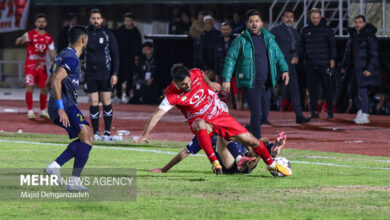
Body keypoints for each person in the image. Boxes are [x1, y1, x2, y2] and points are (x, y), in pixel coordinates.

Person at [134, 63, 291, 176]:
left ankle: (269, 163)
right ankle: (225, 160)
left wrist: (210, 83)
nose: (187, 86)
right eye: (183, 85)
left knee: (256, 141)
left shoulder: (196, 75)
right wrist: (146, 135)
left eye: (188, 83)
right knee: (205, 127)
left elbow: (200, 72)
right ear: (175, 83)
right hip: (224, 156)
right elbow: (156, 115)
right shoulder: (172, 95)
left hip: (220, 119)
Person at [221, 9, 290, 139]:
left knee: (263, 117)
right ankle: (257, 144)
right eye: (251, 21)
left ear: (261, 23)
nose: (254, 24)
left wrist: (285, 69)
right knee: (256, 113)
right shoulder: (241, 40)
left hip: (266, 83)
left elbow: (279, 55)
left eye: (257, 21)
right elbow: (230, 58)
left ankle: (242, 132)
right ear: (247, 23)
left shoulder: (269, 39)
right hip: (250, 83)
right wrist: (227, 79)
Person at [44, 26, 93, 191]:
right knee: (87, 138)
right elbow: (56, 80)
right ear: (84, 40)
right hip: (65, 105)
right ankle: (71, 180)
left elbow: (51, 78)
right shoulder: (71, 58)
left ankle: (56, 167)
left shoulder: (61, 55)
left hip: (63, 104)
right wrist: (60, 108)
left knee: (85, 137)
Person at [150, 132, 286, 174]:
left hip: (247, 163)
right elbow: (184, 153)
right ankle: (270, 155)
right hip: (229, 166)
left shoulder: (229, 124)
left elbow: (247, 140)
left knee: (262, 140)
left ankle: (272, 153)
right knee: (223, 135)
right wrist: (164, 169)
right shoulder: (203, 135)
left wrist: (249, 148)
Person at [84, 9, 119, 139]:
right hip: (90, 74)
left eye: (98, 18)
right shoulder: (84, 34)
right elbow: (79, 52)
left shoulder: (108, 34)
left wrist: (114, 73)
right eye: (93, 18)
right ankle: (96, 132)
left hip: (105, 73)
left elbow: (115, 55)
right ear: (90, 20)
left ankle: (107, 132)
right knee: (93, 102)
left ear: (102, 20)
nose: (96, 21)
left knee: (106, 101)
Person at [270, 10, 310, 124]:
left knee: (295, 90)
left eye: (291, 17)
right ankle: (261, 116)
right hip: (278, 65)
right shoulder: (275, 30)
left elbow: (298, 46)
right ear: (282, 18)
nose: (289, 19)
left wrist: (297, 56)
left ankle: (299, 116)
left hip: (291, 66)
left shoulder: (294, 31)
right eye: (287, 17)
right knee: (267, 89)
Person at [297, 8, 337, 119]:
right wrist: (297, 56)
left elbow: (333, 45)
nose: (315, 20)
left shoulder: (327, 30)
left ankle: (330, 111)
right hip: (309, 64)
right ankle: (314, 111)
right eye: (313, 18)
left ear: (321, 17)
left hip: (324, 64)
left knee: (328, 88)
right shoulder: (305, 30)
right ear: (310, 18)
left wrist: (333, 59)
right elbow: (301, 46)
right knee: (312, 89)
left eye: (317, 18)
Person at [15, 13, 55, 120]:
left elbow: (52, 53)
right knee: (30, 87)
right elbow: (18, 42)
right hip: (30, 67)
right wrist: (20, 39)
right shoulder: (29, 34)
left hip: (42, 67)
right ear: (35, 23)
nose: (41, 23)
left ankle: (43, 111)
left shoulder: (49, 38)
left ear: (46, 23)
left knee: (44, 88)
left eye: (43, 21)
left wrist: (52, 61)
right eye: (39, 21)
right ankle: (30, 111)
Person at [341, 15, 379, 124]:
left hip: (364, 69)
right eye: (356, 22)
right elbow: (347, 53)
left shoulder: (370, 37)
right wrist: (344, 66)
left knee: (362, 91)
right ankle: (361, 110)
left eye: (360, 22)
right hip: (353, 69)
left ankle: (365, 114)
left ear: (364, 23)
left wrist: (369, 69)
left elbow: (374, 54)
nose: (358, 24)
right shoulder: (352, 36)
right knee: (351, 92)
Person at [115, 12, 142, 104]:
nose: (127, 22)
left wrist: (136, 58)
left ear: (132, 21)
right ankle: (118, 96)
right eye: (126, 20)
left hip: (130, 59)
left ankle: (127, 95)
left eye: (129, 21)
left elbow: (138, 46)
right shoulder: (120, 30)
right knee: (118, 77)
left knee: (129, 78)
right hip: (120, 58)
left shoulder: (135, 31)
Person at [214, 21, 242, 110]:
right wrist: (216, 74)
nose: (225, 31)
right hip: (224, 73)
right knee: (228, 97)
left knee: (238, 96)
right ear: (221, 31)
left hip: (236, 73)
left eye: (227, 29)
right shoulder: (218, 41)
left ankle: (240, 115)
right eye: (223, 30)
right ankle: (231, 117)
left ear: (231, 30)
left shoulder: (237, 40)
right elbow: (216, 60)